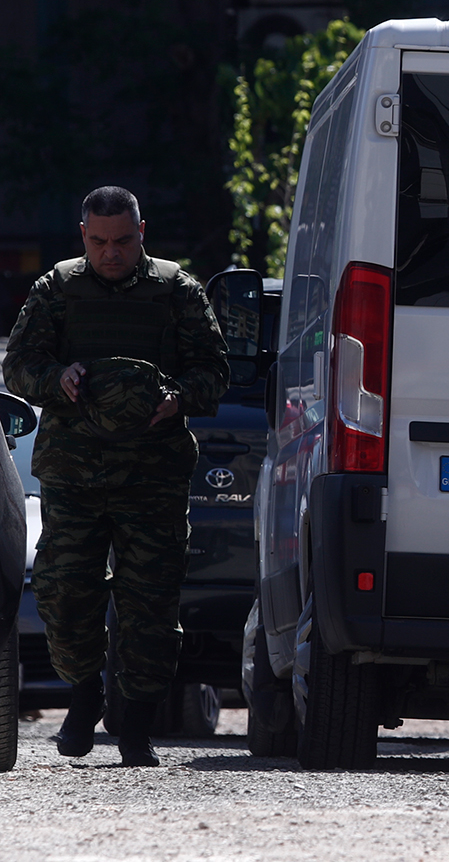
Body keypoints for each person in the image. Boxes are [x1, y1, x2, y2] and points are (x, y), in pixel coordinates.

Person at [2, 186, 229, 767]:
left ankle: (136, 725)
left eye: (123, 241)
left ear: (141, 232)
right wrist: (57, 379)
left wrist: (179, 397)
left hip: (152, 477)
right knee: (62, 591)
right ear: (84, 235)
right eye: (100, 241)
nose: (111, 253)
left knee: (150, 605)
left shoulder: (177, 291)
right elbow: (19, 366)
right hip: (73, 474)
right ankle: (84, 695)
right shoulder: (56, 289)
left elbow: (214, 372)